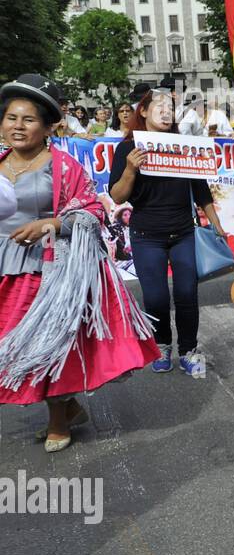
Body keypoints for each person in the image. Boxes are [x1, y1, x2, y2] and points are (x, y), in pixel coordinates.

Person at [0, 75, 157, 452]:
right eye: (10, 118)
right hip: (5, 268)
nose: (17, 127)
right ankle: (68, 406)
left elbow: (91, 212)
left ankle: (58, 418)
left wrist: (51, 223)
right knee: (11, 347)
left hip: (49, 271)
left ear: (49, 126)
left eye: (28, 119)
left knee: (49, 344)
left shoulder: (64, 166)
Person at [108, 87, 227, 377]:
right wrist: (130, 170)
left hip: (184, 233)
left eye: (170, 107)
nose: (166, 112)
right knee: (156, 297)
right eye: (158, 106)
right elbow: (118, 196)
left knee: (187, 293)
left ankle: (188, 349)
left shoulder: (183, 145)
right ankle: (162, 345)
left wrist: (216, 224)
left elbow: (200, 189)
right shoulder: (127, 148)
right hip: (147, 237)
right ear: (144, 112)